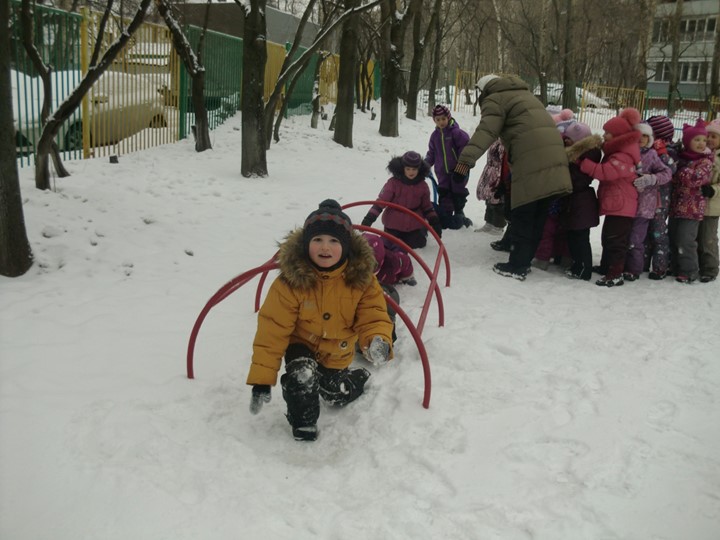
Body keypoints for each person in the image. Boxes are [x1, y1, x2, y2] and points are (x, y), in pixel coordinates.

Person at [247, 200, 394, 442]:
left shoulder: (361, 280)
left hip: (338, 352)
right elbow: (272, 330)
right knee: (300, 376)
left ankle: (353, 381)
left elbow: (373, 315)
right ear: (306, 244)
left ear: (346, 247)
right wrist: (261, 380)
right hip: (301, 344)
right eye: (317, 240)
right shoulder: (291, 282)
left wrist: (376, 339)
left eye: (334, 241)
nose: (325, 247)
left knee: (333, 394)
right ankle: (303, 423)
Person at [454, 74, 572, 281]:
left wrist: (464, 162)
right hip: (555, 161)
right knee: (537, 215)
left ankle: (517, 265)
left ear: (483, 90)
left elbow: (486, 131)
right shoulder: (526, 95)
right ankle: (525, 259)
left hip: (531, 162)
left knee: (523, 214)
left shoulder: (496, 98)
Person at [578, 108, 642, 287]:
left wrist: (584, 164)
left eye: (608, 133)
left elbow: (607, 173)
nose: (604, 136)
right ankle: (607, 266)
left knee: (616, 240)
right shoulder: (617, 152)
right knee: (608, 237)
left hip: (623, 206)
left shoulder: (623, 155)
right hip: (617, 204)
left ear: (618, 135)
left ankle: (615, 272)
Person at [362, 151, 442, 249]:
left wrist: (435, 222)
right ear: (402, 168)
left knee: (417, 244)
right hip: (393, 223)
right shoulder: (393, 184)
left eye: (414, 169)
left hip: (414, 223)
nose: (411, 172)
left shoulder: (423, 186)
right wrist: (369, 218)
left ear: (419, 169)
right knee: (389, 244)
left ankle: (422, 230)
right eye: (408, 169)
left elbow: (427, 207)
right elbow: (380, 203)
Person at [623, 122, 672, 281]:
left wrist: (651, 179)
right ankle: (622, 264)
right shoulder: (627, 153)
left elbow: (667, 173)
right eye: (638, 135)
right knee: (623, 236)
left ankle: (634, 269)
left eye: (645, 136)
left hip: (645, 206)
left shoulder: (651, 155)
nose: (641, 139)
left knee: (636, 239)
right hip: (625, 203)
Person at [669, 120, 714, 283]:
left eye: (704, 140)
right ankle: (675, 266)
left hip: (692, 209)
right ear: (687, 142)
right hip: (676, 207)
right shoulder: (681, 158)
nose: (702, 143)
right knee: (673, 237)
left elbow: (695, 179)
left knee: (685, 240)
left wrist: (680, 169)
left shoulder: (705, 161)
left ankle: (690, 270)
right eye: (697, 140)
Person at [558, 121, 602, 280]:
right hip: (576, 203)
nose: (565, 140)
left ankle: (584, 269)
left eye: (569, 138)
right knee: (574, 237)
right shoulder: (576, 156)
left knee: (580, 239)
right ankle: (578, 265)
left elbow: (578, 180)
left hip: (580, 203)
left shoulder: (582, 159)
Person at [424, 104, 472, 229]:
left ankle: (459, 212)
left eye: (443, 119)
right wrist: (424, 166)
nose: (441, 122)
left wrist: (462, 168)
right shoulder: (434, 136)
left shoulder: (457, 133)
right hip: (442, 172)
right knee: (444, 192)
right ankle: (446, 215)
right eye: (438, 119)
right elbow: (432, 153)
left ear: (448, 118)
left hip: (458, 172)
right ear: (434, 120)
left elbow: (466, 151)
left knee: (457, 192)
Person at [644, 115, 679, 279]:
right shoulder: (649, 149)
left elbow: (671, 169)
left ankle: (660, 267)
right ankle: (641, 263)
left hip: (661, 200)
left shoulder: (670, 151)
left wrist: (663, 153)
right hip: (647, 197)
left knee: (658, 233)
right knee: (644, 231)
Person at [698, 118, 720, 283]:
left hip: (712, 206)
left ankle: (710, 268)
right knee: (694, 236)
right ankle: (697, 263)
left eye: (715, 136)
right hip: (695, 204)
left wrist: (713, 189)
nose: (710, 139)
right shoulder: (700, 153)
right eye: (708, 135)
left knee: (708, 238)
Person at [474, 139, 507, 235]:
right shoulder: (495, 138)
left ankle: (498, 225)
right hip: (490, 171)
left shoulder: (505, 141)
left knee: (498, 200)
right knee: (489, 198)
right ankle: (489, 222)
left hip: (499, 173)